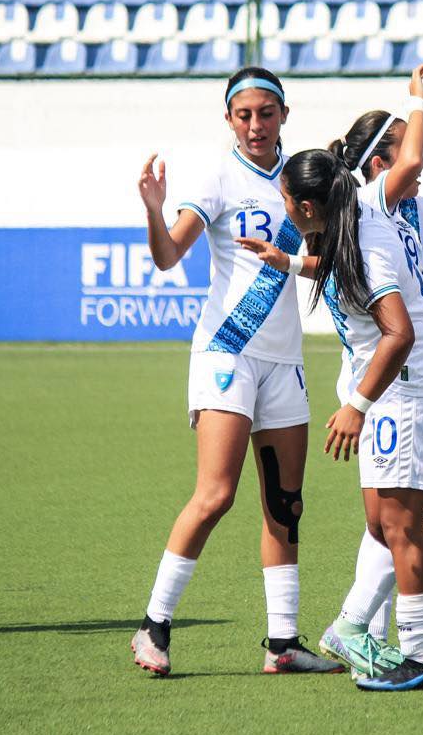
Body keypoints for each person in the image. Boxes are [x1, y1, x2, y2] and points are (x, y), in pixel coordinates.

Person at [266, 149, 423, 691]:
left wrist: (356, 404)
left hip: (408, 392)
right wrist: (286, 262)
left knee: (402, 529)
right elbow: (337, 270)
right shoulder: (346, 225)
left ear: (309, 207)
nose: (283, 208)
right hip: (399, 392)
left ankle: (421, 660)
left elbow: (398, 333)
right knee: (388, 526)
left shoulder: (363, 241)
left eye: (286, 199)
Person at [128, 68, 342, 677]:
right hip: (228, 352)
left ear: (283, 114)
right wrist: (153, 210)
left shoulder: (306, 178)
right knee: (216, 493)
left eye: (266, 113)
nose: (255, 125)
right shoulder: (217, 176)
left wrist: (296, 255)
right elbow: (169, 256)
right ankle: (153, 626)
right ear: (229, 119)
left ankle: (282, 644)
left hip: (284, 360)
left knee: (285, 504)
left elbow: (331, 256)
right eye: (244, 115)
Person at [320, 66, 423, 646]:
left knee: (405, 519)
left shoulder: (407, 209)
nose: (415, 165)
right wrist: (417, 99)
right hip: (381, 376)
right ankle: (383, 626)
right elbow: (410, 165)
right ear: (376, 166)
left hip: (404, 374)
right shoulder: (373, 198)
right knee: (395, 520)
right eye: (398, 153)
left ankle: (385, 633)